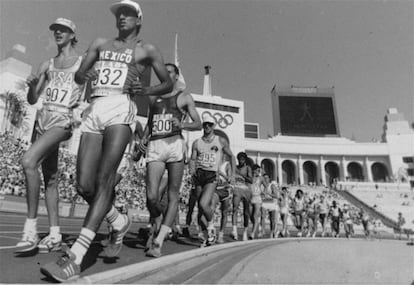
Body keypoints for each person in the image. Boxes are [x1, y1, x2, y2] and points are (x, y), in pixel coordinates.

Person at [41, 0, 173, 281]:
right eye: (119, 14)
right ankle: (118, 221)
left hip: (120, 109)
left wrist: (145, 88)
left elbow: (168, 83)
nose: (122, 17)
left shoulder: (146, 49)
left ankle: (75, 256)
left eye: (128, 14)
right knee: (83, 185)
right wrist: (83, 73)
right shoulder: (100, 43)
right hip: (95, 108)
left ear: (139, 20)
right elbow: (78, 77)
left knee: (104, 180)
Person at [15, 18, 85, 254]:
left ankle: (31, 229)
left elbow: (94, 86)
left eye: (63, 30)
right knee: (51, 179)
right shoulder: (47, 64)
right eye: (55, 29)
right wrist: (33, 86)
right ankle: (55, 234)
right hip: (43, 122)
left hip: (63, 121)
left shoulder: (81, 63)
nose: (57, 33)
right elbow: (33, 100)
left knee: (28, 161)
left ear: (72, 35)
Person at [144, 62, 201, 258]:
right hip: (156, 144)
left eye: (169, 73)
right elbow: (150, 123)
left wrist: (182, 123)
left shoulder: (184, 97)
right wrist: (143, 141)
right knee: (151, 196)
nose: (165, 76)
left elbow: (198, 123)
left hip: (175, 144)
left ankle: (159, 241)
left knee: (173, 195)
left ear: (176, 76)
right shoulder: (154, 96)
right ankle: (158, 217)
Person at [190, 114, 236, 247]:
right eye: (205, 124)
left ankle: (211, 227)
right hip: (199, 176)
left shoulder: (220, 141)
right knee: (200, 208)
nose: (207, 126)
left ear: (214, 126)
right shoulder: (197, 142)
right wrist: (192, 172)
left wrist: (232, 174)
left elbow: (231, 156)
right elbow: (193, 159)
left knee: (204, 204)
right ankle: (208, 236)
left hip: (211, 176)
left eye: (210, 124)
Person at [211, 156, 234, 243]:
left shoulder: (227, 165)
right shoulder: (214, 162)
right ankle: (211, 231)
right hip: (216, 189)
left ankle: (221, 234)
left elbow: (229, 178)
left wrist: (221, 173)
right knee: (211, 208)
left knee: (224, 213)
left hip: (225, 189)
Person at [231, 152, 253, 241]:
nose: (240, 161)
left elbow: (251, 180)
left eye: (242, 159)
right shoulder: (235, 167)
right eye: (239, 159)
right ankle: (234, 231)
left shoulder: (248, 168)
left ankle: (245, 232)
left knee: (246, 212)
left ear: (245, 160)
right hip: (237, 189)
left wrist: (242, 176)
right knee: (234, 208)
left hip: (246, 190)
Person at [249, 164, 267, 239]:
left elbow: (266, 186)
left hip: (257, 198)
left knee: (255, 216)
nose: (259, 172)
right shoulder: (250, 177)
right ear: (254, 170)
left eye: (259, 170)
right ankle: (257, 226)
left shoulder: (261, 178)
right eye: (257, 170)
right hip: (250, 198)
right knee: (250, 216)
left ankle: (252, 233)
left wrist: (264, 192)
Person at [260, 174, 280, 238]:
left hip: (272, 203)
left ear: (269, 179)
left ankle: (272, 231)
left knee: (272, 219)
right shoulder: (261, 186)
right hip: (264, 203)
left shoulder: (272, 185)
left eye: (267, 178)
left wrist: (268, 194)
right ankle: (263, 231)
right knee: (262, 217)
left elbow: (276, 196)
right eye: (264, 178)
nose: (265, 179)